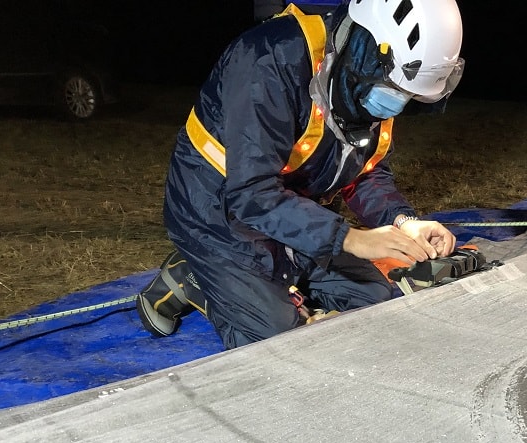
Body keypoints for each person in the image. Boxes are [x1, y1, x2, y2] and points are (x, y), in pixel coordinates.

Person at [137, 0, 463, 349]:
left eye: (408, 95)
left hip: (289, 207)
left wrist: (402, 220)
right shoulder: (267, 61)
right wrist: (349, 239)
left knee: (375, 298)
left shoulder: (362, 75)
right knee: (276, 343)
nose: (397, 104)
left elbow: (363, 170)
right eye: (394, 90)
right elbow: (250, 195)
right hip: (215, 210)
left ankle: (268, 283)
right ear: (368, 46)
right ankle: (195, 276)